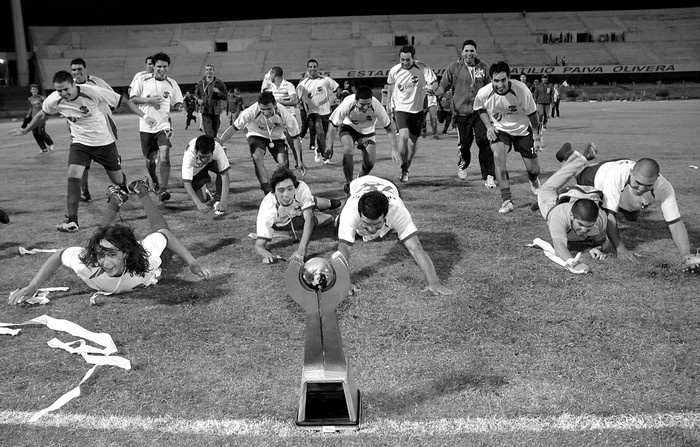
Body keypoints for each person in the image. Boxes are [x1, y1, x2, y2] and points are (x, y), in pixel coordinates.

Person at [7, 175, 211, 306]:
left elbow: (165, 235)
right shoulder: (88, 263)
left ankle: (141, 190)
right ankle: (116, 200)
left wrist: (192, 262)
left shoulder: (146, 259)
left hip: (153, 260)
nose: (106, 262)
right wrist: (33, 286)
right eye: (102, 255)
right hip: (110, 250)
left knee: (160, 230)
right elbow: (60, 255)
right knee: (100, 238)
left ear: (126, 253)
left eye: (112, 255)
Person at [9, 70, 154, 232]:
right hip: (80, 143)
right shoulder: (53, 100)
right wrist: (25, 130)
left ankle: (123, 187)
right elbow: (43, 114)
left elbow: (124, 101)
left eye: (66, 89)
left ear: (73, 84)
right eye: (59, 90)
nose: (63, 93)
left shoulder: (92, 92)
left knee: (117, 178)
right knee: (73, 175)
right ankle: (72, 220)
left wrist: (145, 117)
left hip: (104, 143)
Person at [560, 142, 700, 270]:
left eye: (648, 185)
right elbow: (610, 217)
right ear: (632, 173)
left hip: (623, 173)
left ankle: (623, 201)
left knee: (632, 216)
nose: (640, 189)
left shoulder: (665, 188)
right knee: (578, 173)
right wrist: (621, 248)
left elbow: (675, 223)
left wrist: (686, 255)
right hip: (600, 173)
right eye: (638, 182)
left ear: (656, 180)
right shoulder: (615, 176)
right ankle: (574, 156)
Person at [337, 175, 452, 296]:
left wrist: (434, 282)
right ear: (359, 213)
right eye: (366, 223)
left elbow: (415, 248)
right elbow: (344, 248)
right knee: (348, 229)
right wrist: (344, 282)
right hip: (357, 184)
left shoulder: (397, 210)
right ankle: (341, 216)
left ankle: (377, 226)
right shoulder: (351, 210)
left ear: (386, 215)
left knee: (378, 234)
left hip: (390, 186)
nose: (371, 229)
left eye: (377, 224)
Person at [473, 61, 543, 214]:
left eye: (503, 80)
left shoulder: (521, 90)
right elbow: (479, 108)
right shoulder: (484, 93)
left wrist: (537, 137)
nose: (500, 84)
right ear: (491, 79)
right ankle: (507, 200)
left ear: (509, 78)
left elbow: (533, 114)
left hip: (523, 131)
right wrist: (489, 126)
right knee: (498, 157)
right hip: (501, 131)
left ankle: (534, 181)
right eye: (496, 80)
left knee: (533, 169)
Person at [431, 39, 495, 188]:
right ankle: (463, 165)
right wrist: (435, 92)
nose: (469, 53)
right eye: (466, 51)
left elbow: (491, 88)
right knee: (464, 145)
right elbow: (443, 85)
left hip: (480, 112)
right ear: (462, 52)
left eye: (472, 50)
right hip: (461, 113)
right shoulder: (454, 68)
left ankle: (489, 176)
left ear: (476, 52)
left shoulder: (483, 68)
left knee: (484, 143)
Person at [536, 143, 608, 274]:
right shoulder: (559, 216)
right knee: (546, 189)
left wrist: (598, 248)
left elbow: (603, 241)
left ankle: (573, 159)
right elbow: (559, 246)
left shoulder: (601, 219)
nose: (584, 230)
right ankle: (580, 159)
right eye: (580, 225)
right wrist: (573, 263)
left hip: (583, 195)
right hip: (553, 205)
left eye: (589, 226)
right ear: (571, 217)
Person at [218, 91, 306, 195]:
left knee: (283, 162)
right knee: (257, 155)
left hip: (277, 137)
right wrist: (220, 141)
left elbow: (295, 138)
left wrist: (299, 161)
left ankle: (281, 187)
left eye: (269, 109)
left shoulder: (286, 115)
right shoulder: (251, 111)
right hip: (256, 134)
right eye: (263, 109)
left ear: (275, 105)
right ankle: (266, 188)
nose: (266, 112)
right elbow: (234, 127)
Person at [254, 166, 341, 264]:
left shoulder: (301, 186)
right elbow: (259, 244)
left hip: (298, 206)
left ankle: (318, 202)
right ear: (274, 192)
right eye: (281, 190)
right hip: (287, 221)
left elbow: (309, 217)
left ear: (295, 187)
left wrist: (302, 248)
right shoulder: (267, 207)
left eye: (290, 189)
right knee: (329, 219)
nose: (286, 194)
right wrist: (268, 255)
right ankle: (311, 202)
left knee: (333, 203)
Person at [129, 52, 184, 203]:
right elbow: (132, 99)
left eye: (164, 67)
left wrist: (179, 106)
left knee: (165, 155)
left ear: (168, 67)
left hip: (164, 126)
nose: (161, 69)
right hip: (146, 127)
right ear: (153, 66)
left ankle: (163, 189)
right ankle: (154, 179)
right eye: (158, 66)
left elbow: (177, 101)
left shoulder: (172, 83)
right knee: (150, 160)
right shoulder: (143, 80)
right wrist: (149, 100)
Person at [325, 85, 399, 195]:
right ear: (356, 100)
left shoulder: (376, 105)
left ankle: (360, 178)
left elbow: (389, 127)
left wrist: (394, 149)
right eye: (362, 105)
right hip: (348, 127)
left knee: (370, 162)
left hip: (367, 131)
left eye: (368, 104)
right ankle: (349, 184)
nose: (365, 108)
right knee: (348, 150)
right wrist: (329, 146)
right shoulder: (347, 104)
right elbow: (332, 125)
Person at [387, 45, 438, 183]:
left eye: (407, 60)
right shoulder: (394, 70)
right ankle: (403, 168)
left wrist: (431, 88)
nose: (404, 62)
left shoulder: (422, 68)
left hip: (418, 110)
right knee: (403, 136)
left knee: (412, 141)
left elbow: (434, 82)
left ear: (413, 58)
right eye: (402, 59)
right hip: (400, 108)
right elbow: (390, 86)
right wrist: (388, 103)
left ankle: (407, 164)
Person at [71, 57, 116, 203]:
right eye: (74, 70)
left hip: (104, 127)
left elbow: (113, 97)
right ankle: (85, 193)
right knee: (81, 165)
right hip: (81, 132)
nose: (77, 72)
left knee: (113, 161)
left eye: (79, 69)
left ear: (85, 69)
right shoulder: (70, 87)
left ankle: (119, 187)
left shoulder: (97, 82)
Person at [296, 58, 339, 164]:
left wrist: (337, 95)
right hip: (313, 113)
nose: (313, 69)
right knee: (319, 132)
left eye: (314, 66)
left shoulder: (325, 80)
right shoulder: (303, 84)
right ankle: (325, 157)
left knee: (323, 136)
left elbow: (336, 87)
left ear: (317, 68)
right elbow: (297, 98)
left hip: (326, 112)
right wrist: (301, 105)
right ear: (307, 69)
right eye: (310, 67)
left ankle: (318, 150)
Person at [261, 67, 301, 169]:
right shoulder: (270, 86)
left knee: (292, 141)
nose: (269, 77)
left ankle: (298, 161)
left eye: (270, 75)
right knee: (277, 142)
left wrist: (282, 102)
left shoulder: (288, 85)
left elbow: (295, 101)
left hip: (288, 116)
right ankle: (282, 163)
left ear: (274, 75)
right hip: (276, 119)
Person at [181, 135, 230, 215]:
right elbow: (187, 183)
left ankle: (217, 199)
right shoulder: (189, 154)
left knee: (221, 170)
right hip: (197, 169)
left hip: (212, 162)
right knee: (202, 199)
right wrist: (198, 203)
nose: (204, 159)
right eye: (201, 157)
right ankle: (206, 190)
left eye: (207, 157)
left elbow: (225, 176)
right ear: (196, 151)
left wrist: (223, 201)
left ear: (212, 151)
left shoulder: (218, 149)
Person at [194, 64, 228, 138]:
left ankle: (213, 147)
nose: (208, 71)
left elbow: (225, 96)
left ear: (213, 71)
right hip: (205, 110)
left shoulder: (219, 83)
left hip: (215, 111)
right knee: (209, 132)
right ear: (204, 72)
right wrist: (198, 100)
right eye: (207, 70)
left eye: (210, 69)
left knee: (214, 132)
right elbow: (196, 95)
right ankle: (210, 146)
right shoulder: (200, 83)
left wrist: (219, 92)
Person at [25, 84, 54, 153]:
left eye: (35, 89)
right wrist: (28, 115)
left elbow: (46, 106)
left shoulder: (41, 98)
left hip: (41, 117)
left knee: (41, 132)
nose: (34, 91)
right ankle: (43, 148)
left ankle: (50, 143)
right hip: (33, 118)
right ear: (30, 91)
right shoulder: (30, 99)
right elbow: (31, 108)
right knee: (35, 133)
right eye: (32, 89)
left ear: (37, 90)